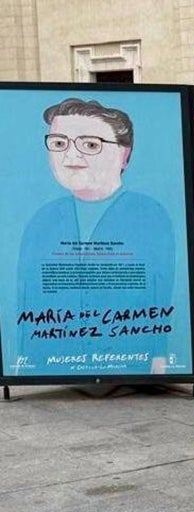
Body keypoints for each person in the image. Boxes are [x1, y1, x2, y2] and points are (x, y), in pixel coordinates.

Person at [16, 98, 173, 375]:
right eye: (59, 143)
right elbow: (27, 300)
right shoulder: (43, 221)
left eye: (90, 144)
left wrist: (159, 359)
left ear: (124, 154)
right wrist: (23, 364)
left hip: (129, 356)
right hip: (54, 360)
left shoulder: (148, 214)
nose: (71, 157)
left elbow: (161, 295)